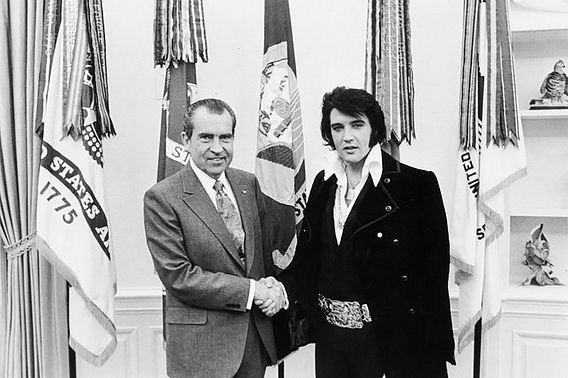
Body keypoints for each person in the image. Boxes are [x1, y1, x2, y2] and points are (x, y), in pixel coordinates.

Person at [259, 87, 455, 377]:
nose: (347, 136)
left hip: (392, 344)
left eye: (357, 125)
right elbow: (308, 262)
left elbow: (433, 277)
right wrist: (278, 288)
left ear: (374, 128)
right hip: (332, 345)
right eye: (338, 127)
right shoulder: (323, 184)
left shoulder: (416, 185)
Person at [144, 98, 285, 378]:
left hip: (252, 345)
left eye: (225, 137)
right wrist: (251, 291)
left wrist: (274, 287)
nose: (217, 148)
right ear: (186, 140)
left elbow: (259, 258)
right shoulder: (162, 197)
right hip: (200, 352)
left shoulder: (247, 184)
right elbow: (179, 276)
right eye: (206, 137)